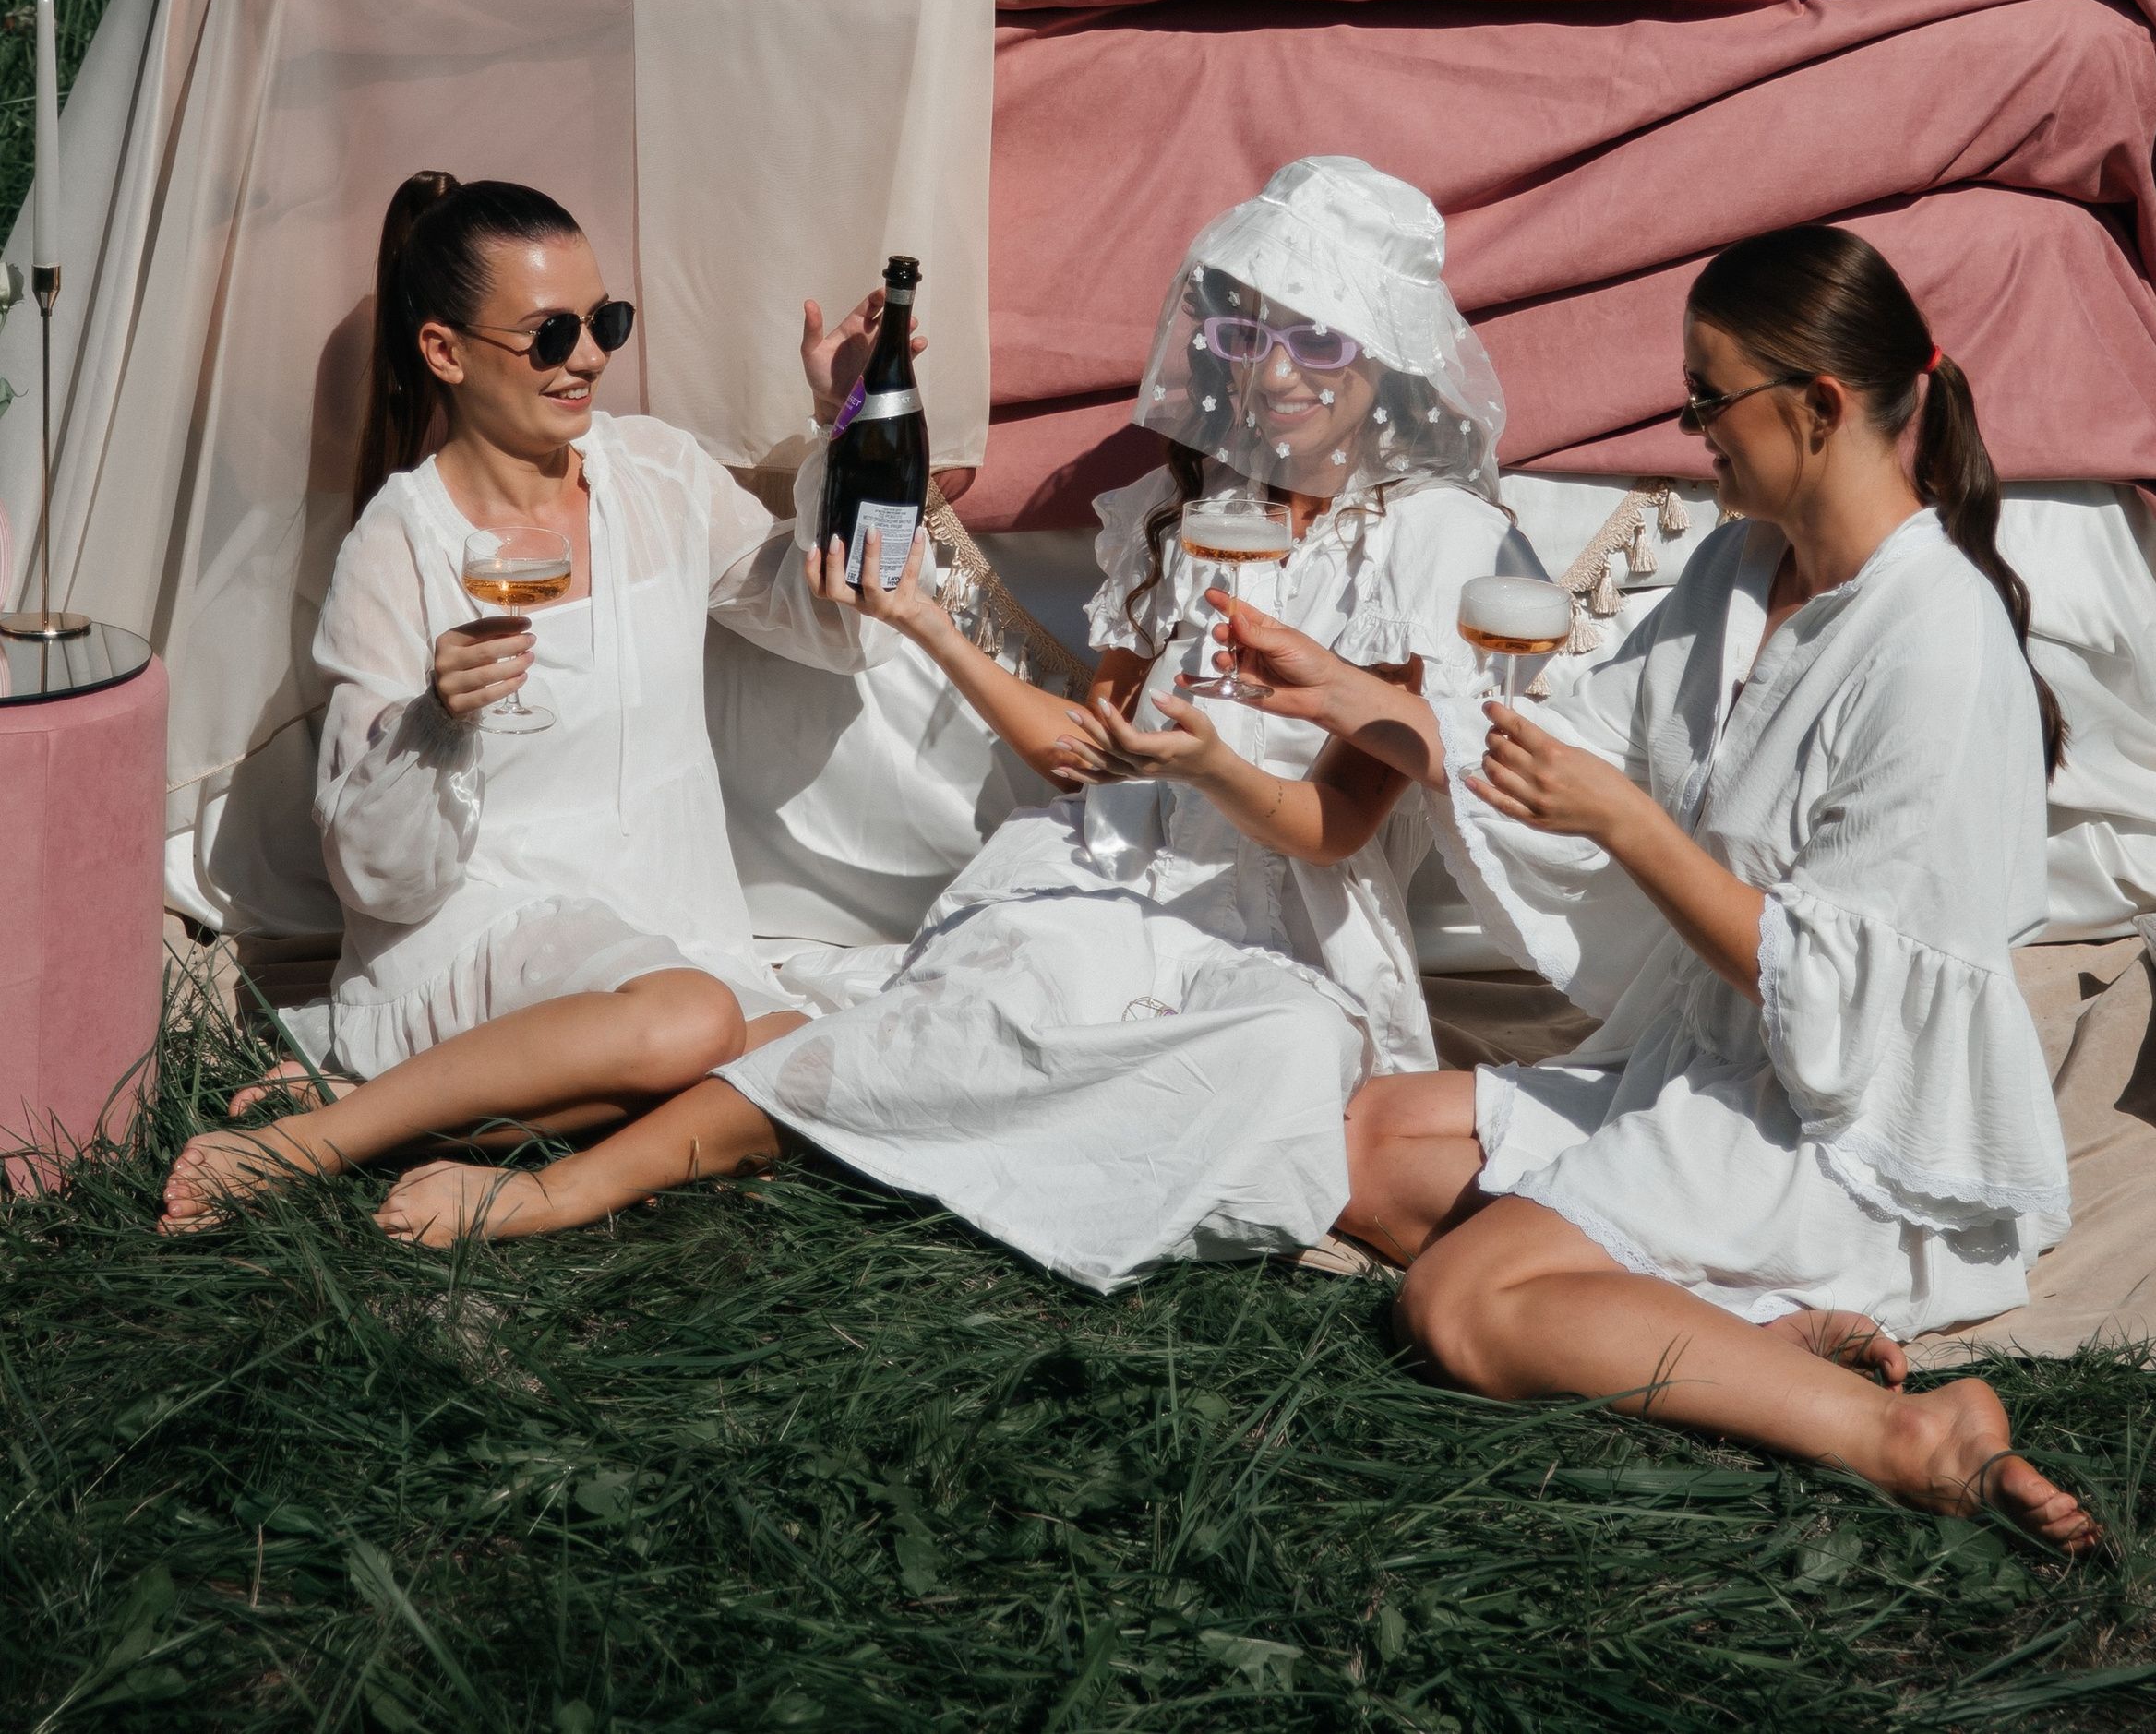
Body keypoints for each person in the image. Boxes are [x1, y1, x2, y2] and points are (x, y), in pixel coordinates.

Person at [327, 155, 1543, 1269]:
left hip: (1284, 917)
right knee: (952, 1011)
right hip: (1109, 873)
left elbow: (1331, 827)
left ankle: (892, 1138)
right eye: (1246, 335)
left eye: (1319, 345)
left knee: (1272, 1052)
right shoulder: (1181, 520)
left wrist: (1211, 761)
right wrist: (927, 620)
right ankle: (567, 1188)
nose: (1274, 375)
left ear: (1387, 355)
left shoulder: (1434, 550)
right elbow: (1089, 760)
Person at [1211, 223, 2098, 1549]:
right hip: (1705, 1062)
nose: (1692, 427)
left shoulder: (1938, 646)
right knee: (1355, 1142)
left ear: (1820, 403)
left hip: (1843, 1130)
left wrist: (1630, 826)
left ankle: (1905, 1430)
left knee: (1456, 1298)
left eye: (1709, 395)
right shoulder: (1742, 568)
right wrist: (1355, 694)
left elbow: (1843, 999)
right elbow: (1583, 736)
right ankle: (1734, 1322)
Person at [159, 171, 964, 1233]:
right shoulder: (402, 545)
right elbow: (382, 879)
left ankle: (414, 1118)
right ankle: (304, 1144)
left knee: (822, 1053)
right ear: (444, 351)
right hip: (476, 925)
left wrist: (849, 415)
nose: (586, 356)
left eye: (604, 322)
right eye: (549, 334)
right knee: (694, 1024)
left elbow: (827, 620)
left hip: (662, 923)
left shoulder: (655, 474)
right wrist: (436, 718)